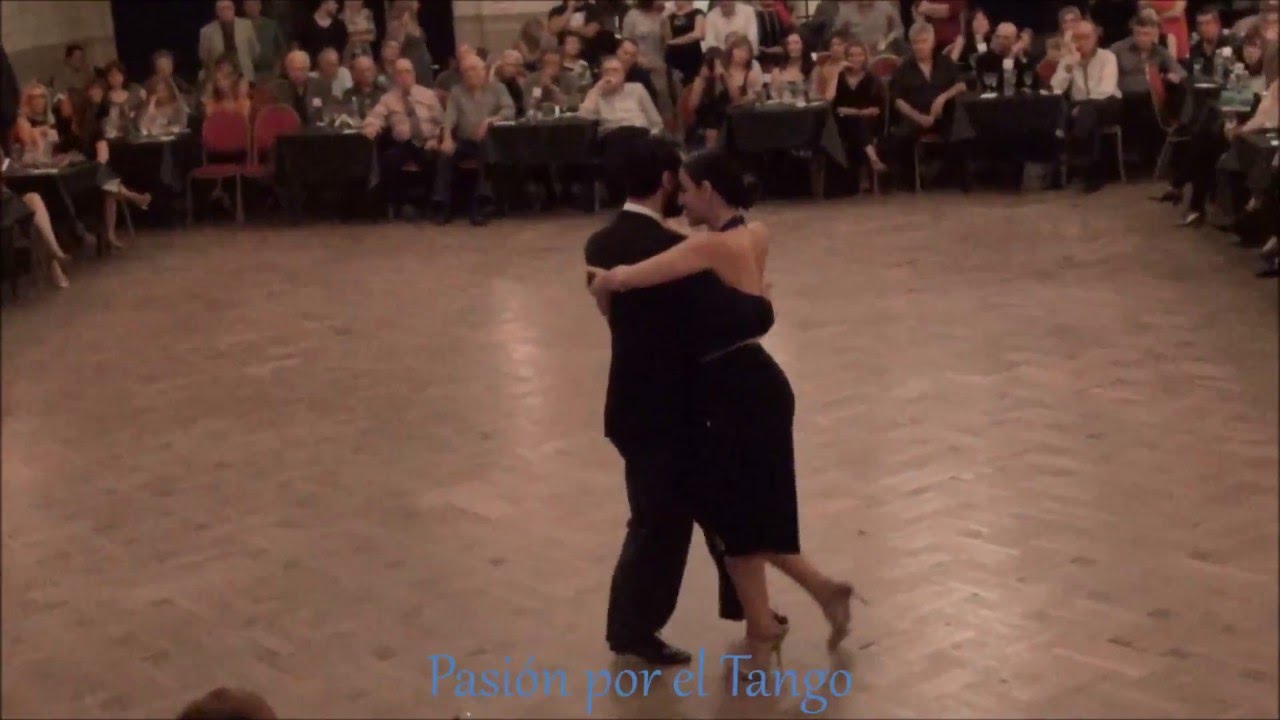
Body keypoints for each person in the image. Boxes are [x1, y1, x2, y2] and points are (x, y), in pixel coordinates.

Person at [587, 147, 855, 675]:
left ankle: (787, 614)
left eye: (688, 189)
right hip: (741, 388)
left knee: (732, 518)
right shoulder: (754, 233)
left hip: (726, 395)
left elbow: (626, 279)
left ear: (706, 190)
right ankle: (780, 615)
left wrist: (604, 284)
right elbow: (749, 310)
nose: (681, 197)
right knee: (735, 515)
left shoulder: (685, 247)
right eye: (677, 187)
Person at [581, 136, 763, 666]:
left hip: (632, 401)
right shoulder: (677, 249)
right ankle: (635, 629)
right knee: (674, 518)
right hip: (681, 405)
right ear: (665, 180)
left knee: (680, 512)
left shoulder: (600, 243)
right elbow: (733, 320)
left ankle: (744, 609)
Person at [887, 22, 970, 189]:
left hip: (941, 116)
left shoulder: (945, 62)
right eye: (916, 42)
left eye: (923, 41)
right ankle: (910, 182)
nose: (919, 46)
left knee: (961, 129)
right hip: (914, 117)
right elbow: (897, 100)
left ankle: (953, 179)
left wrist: (942, 97)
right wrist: (919, 117)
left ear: (932, 42)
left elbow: (961, 85)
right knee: (898, 138)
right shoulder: (904, 68)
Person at [438, 54, 516, 226]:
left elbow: (509, 109)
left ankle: (479, 205)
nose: (470, 74)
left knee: (485, 149)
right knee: (445, 155)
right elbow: (449, 117)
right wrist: (447, 138)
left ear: (484, 71)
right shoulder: (457, 91)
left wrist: (490, 120)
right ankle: (443, 206)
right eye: (466, 71)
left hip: (490, 142)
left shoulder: (498, 88)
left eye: (473, 69)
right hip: (465, 141)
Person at [363, 58, 445, 220]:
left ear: (414, 74)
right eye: (400, 73)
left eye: (408, 72)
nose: (405, 76)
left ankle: (432, 204)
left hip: (427, 141)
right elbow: (376, 116)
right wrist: (370, 126)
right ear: (395, 77)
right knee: (389, 160)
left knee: (435, 159)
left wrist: (435, 139)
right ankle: (400, 204)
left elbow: (442, 122)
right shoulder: (388, 98)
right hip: (404, 144)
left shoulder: (428, 95)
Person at [1051, 20, 1121, 193]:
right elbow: (1056, 87)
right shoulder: (1069, 59)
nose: (1081, 42)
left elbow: (1105, 89)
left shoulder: (1107, 57)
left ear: (1095, 37)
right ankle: (1092, 172)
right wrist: (1069, 66)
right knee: (1084, 117)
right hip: (1081, 107)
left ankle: (1078, 163)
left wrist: (1084, 106)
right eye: (1077, 38)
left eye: (1086, 37)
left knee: (1088, 112)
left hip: (1108, 103)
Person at [1, 147, 72, 288]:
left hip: (7, 201)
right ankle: (56, 262)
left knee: (34, 199)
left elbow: (5, 164)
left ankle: (56, 252)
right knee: (33, 218)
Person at [828, 39, 889, 181]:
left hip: (868, 122)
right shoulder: (840, 78)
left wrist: (853, 112)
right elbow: (829, 99)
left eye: (860, 55)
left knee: (859, 123)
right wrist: (836, 72)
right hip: (842, 124)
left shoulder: (872, 79)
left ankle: (871, 161)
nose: (856, 59)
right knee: (855, 122)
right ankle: (873, 158)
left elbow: (877, 108)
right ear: (846, 57)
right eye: (851, 55)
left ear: (865, 57)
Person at [199, 0, 260, 81]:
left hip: (245, 74)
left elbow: (254, 51)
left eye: (229, 8)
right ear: (217, 12)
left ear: (234, 9)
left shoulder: (246, 25)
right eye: (222, 9)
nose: (226, 11)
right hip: (219, 77)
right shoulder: (207, 31)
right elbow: (204, 57)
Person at [973, 22, 1036, 93]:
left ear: (1016, 40)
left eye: (1006, 38)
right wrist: (1011, 56)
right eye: (997, 37)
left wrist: (1019, 56)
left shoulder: (1025, 58)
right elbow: (1000, 86)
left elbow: (1030, 84)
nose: (1000, 40)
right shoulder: (984, 59)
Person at [272, 50, 331, 124]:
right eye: (294, 69)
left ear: (308, 69)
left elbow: (326, 114)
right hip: (288, 130)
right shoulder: (279, 88)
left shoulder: (321, 86)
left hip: (315, 130)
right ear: (287, 70)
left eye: (302, 69)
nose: (298, 74)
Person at [387, 0, 434, 87]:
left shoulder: (415, 22)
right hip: (412, 64)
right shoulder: (397, 24)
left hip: (424, 66)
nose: (419, 4)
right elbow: (396, 46)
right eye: (415, 2)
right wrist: (403, 25)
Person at [243, 0, 286, 84]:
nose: (252, 8)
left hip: (270, 72)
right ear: (244, 8)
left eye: (255, 4)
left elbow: (282, 48)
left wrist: (276, 70)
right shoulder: (239, 27)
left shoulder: (271, 25)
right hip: (248, 74)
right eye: (249, 5)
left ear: (260, 6)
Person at [665, 0, 707, 87]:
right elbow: (667, 37)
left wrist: (675, 41)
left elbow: (698, 34)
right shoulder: (670, 16)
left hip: (692, 55)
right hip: (673, 56)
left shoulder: (698, 13)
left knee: (692, 85)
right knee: (675, 87)